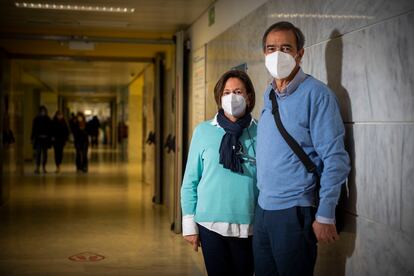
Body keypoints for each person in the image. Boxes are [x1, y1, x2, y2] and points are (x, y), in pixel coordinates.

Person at [254, 21, 351, 276]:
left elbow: (335, 158)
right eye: (271, 48)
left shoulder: (317, 95)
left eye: (286, 48)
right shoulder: (270, 94)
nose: (277, 55)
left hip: (294, 212)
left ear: (300, 53)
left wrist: (326, 213)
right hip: (263, 209)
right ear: (264, 53)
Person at [181, 70, 258, 276]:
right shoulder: (203, 131)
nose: (232, 97)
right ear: (219, 97)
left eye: (238, 91)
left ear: (248, 96)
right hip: (210, 224)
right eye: (226, 92)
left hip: (250, 225)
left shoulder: (261, 131)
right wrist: (189, 224)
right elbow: (190, 180)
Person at [31, 105, 52, 174]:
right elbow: (33, 129)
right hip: (38, 139)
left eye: (44, 111)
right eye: (42, 111)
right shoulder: (36, 119)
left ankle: (43, 167)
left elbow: (50, 130)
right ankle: (37, 167)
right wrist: (32, 138)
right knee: (38, 153)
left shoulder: (48, 119)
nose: (43, 112)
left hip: (45, 139)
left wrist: (50, 138)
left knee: (45, 154)